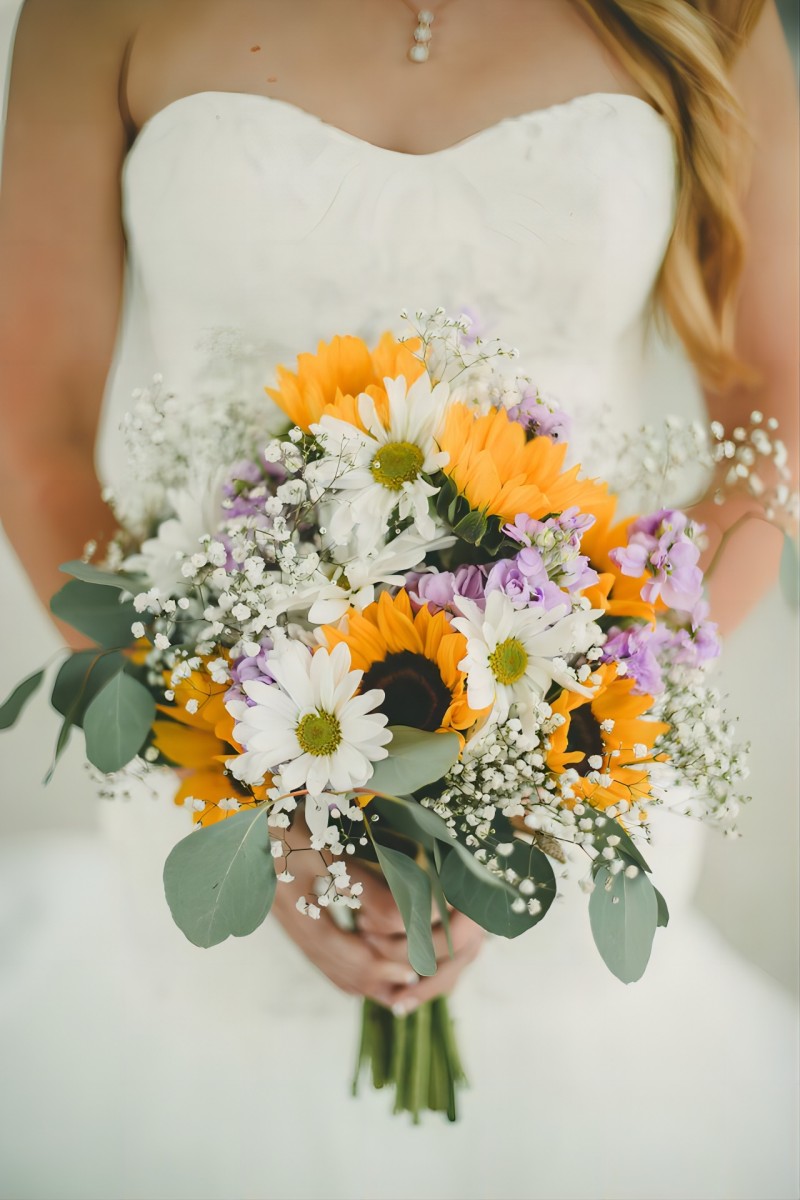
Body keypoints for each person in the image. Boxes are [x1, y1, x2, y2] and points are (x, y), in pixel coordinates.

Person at [0, 3, 797, 1198]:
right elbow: (37, 437)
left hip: (575, 774)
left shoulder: (714, 18)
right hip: (214, 765)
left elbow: (770, 423)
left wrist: (569, 753)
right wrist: (243, 778)